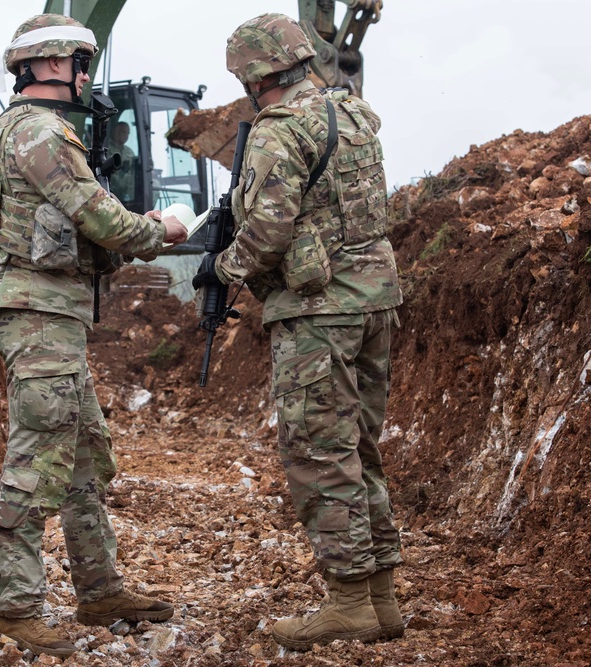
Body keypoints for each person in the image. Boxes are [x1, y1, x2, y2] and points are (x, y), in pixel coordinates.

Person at [0, 13, 188, 658]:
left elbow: (82, 230)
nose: (89, 76)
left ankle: (98, 590)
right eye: (80, 62)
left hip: (52, 309)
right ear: (47, 65)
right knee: (38, 456)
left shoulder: (42, 131)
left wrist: (129, 228)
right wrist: (161, 232)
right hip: (33, 309)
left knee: (84, 458)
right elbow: (97, 214)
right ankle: (16, 610)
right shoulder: (38, 132)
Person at [192, 12, 405, 651]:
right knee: (359, 446)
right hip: (374, 302)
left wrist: (220, 271)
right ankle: (382, 597)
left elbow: (267, 232)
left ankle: (348, 602)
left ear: (257, 75)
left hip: (320, 314)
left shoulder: (278, 133)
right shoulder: (355, 117)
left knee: (318, 452)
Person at [108, 121, 138, 204]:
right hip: (111, 183)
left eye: (128, 133)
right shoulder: (105, 147)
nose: (126, 136)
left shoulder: (129, 151)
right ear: (115, 131)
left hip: (128, 185)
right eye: (123, 132)